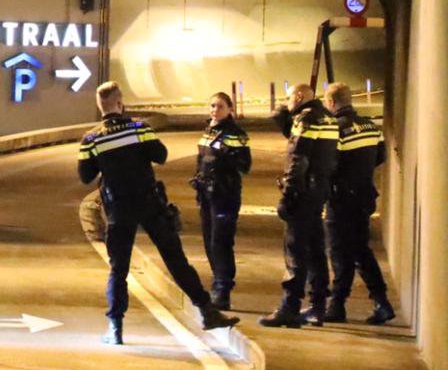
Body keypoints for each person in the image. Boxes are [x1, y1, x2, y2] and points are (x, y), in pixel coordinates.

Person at [79, 81, 239, 344]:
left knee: (119, 269)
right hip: (149, 203)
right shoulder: (140, 129)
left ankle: (115, 328)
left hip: (118, 207)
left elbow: (86, 176)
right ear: (121, 103)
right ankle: (207, 311)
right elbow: (161, 155)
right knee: (175, 259)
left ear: (100, 106)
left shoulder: (92, 139)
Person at [261, 83, 341, 327]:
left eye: (289, 98)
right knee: (316, 248)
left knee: (295, 250)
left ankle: (289, 306)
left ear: (298, 96)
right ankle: (317, 304)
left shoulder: (305, 120)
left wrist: (288, 194)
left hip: (303, 192)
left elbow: (298, 157)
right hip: (319, 191)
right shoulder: (329, 119)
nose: (287, 103)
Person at [322, 83, 395, 325]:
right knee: (360, 249)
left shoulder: (336, 130)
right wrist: (360, 172)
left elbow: (330, 166)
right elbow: (381, 154)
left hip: (341, 200)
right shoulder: (370, 125)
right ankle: (380, 301)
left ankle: (338, 304)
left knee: (340, 252)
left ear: (332, 102)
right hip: (364, 196)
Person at [192, 92, 252, 310]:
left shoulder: (235, 134)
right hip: (207, 195)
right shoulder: (208, 131)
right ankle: (217, 283)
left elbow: (245, 165)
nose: (214, 110)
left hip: (225, 195)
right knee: (209, 241)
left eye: (219, 106)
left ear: (229, 109)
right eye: (212, 106)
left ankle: (223, 289)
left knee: (221, 242)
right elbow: (202, 161)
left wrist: (229, 155)